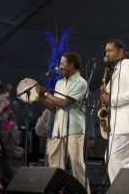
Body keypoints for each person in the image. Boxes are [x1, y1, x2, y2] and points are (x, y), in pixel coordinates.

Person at [36, 52, 90, 192]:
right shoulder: (59, 83)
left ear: (71, 65)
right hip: (58, 129)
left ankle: (84, 192)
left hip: (74, 129)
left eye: (62, 64)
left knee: (76, 163)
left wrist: (47, 93)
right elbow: (55, 107)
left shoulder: (81, 83)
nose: (59, 67)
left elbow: (65, 103)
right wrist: (41, 98)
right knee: (55, 164)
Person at [100, 39, 129, 183]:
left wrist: (112, 99)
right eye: (106, 51)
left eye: (110, 50)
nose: (107, 54)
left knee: (113, 157)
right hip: (122, 124)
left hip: (128, 123)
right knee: (121, 161)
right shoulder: (117, 69)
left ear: (121, 51)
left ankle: (121, 188)